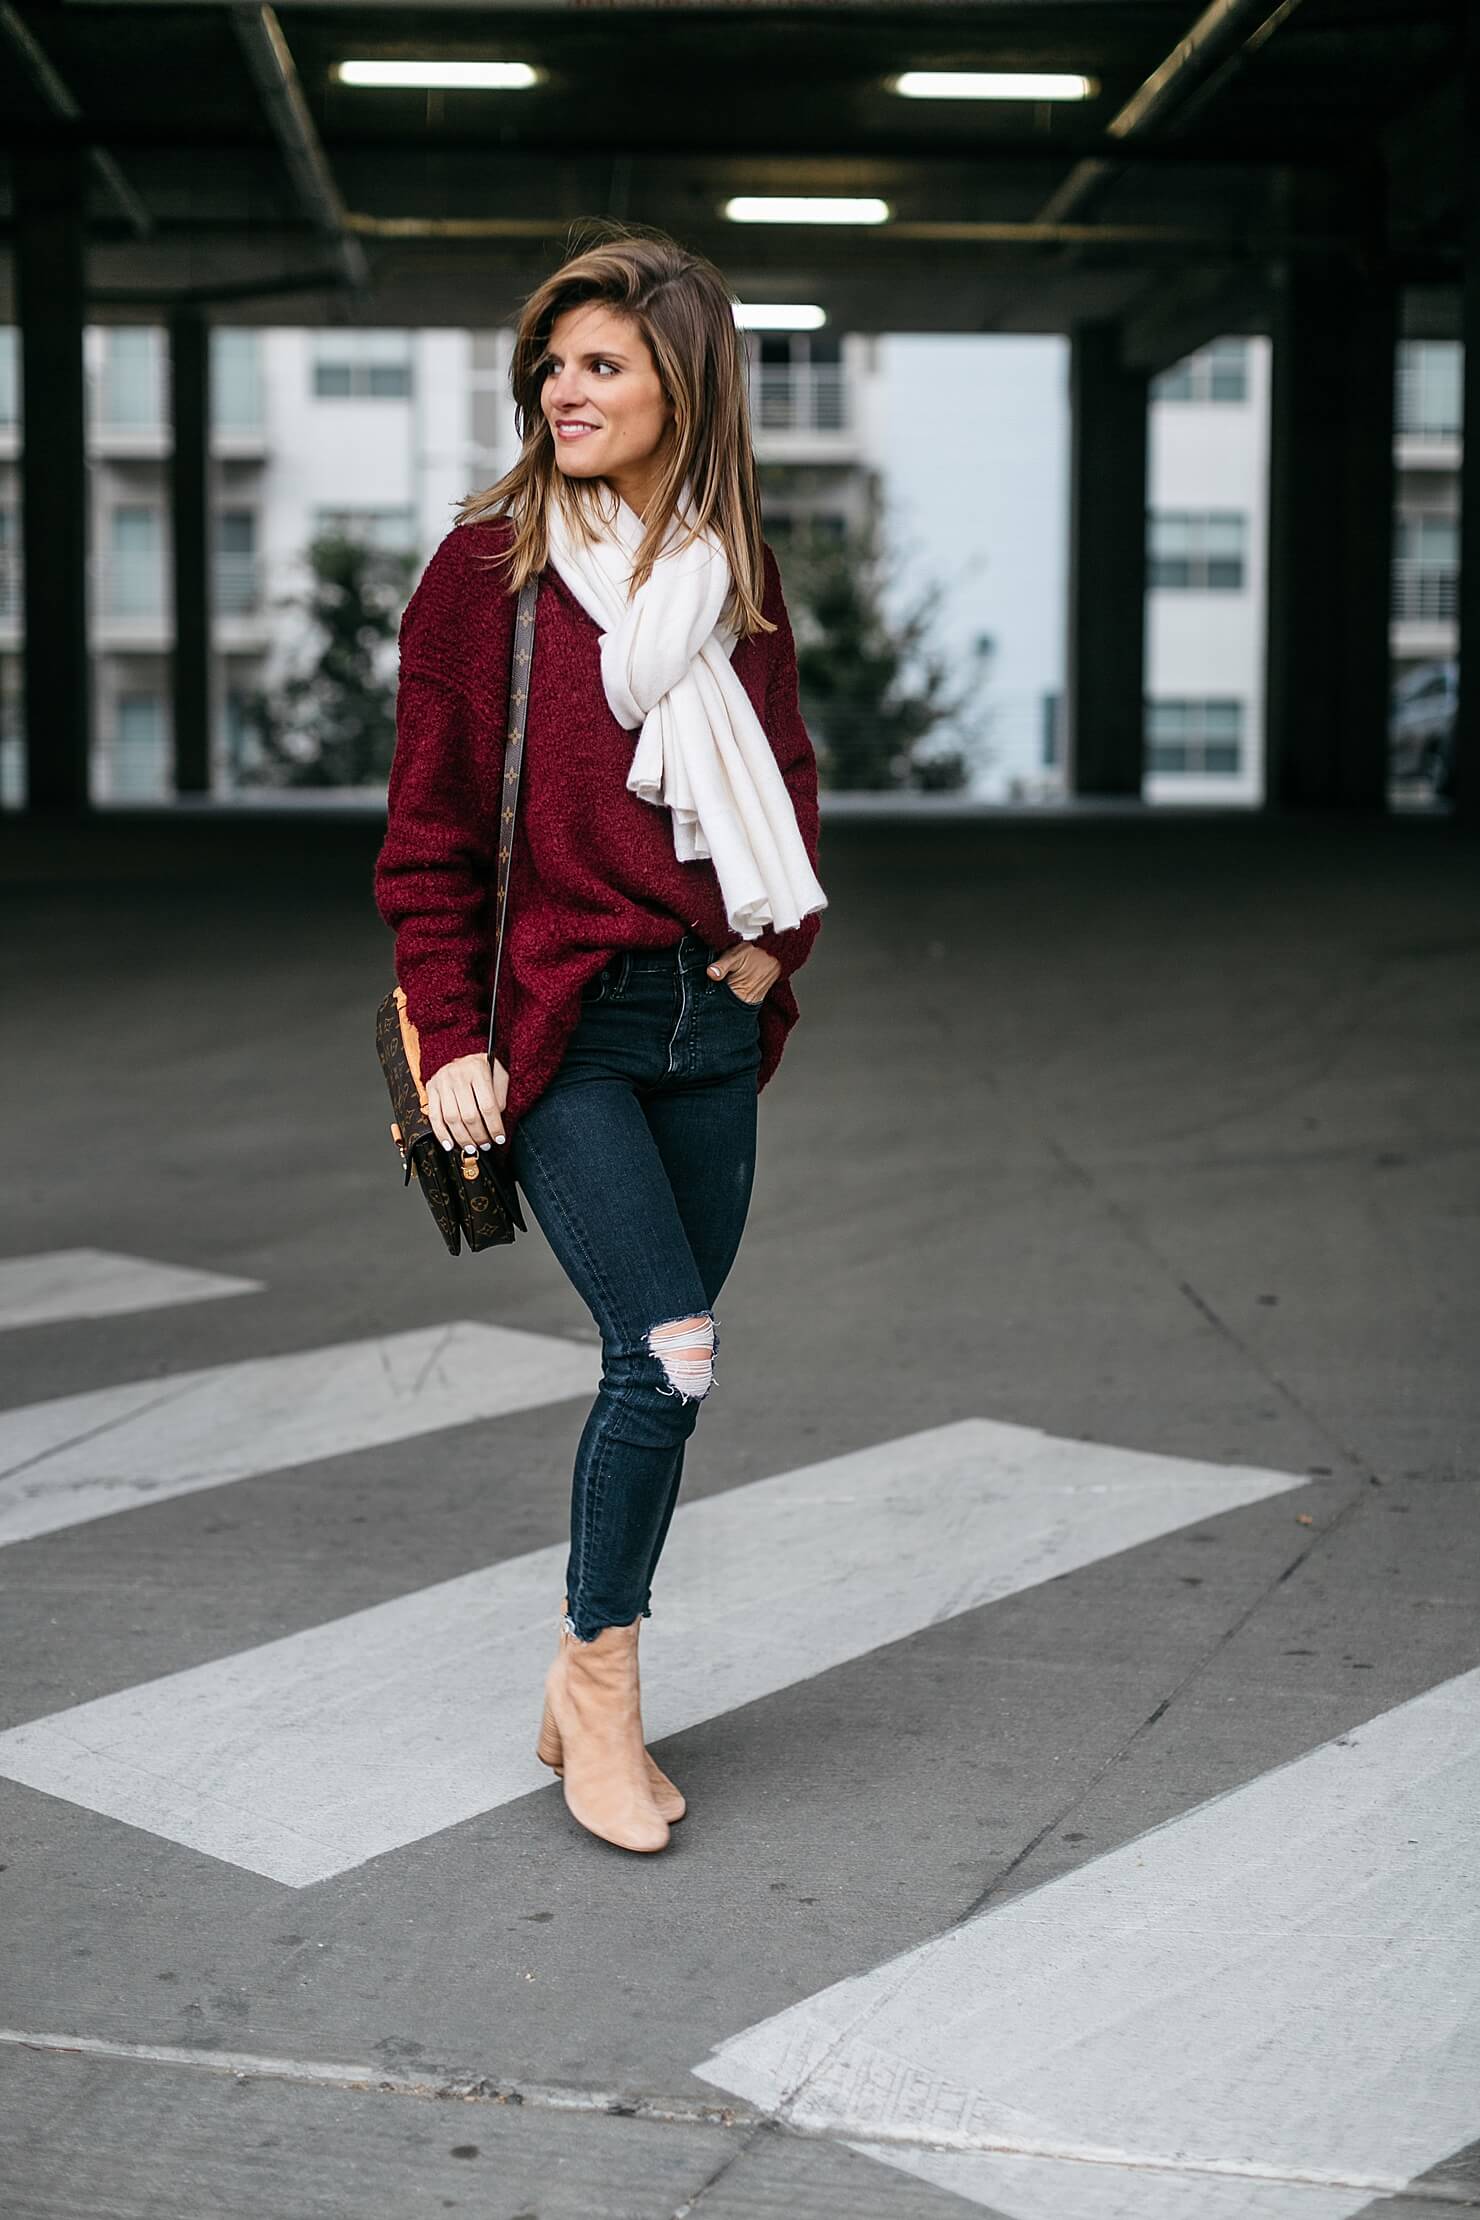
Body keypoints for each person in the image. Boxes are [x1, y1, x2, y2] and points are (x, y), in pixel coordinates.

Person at [374, 227, 827, 1856]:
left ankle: (581, 1681)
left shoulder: (733, 588)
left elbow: (788, 784)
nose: (563, 388)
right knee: (669, 1352)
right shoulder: (481, 576)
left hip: (706, 1025)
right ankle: (605, 1697)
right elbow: (428, 839)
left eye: (601, 365)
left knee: (669, 1375)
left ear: (680, 386)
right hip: (554, 1027)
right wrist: (452, 1041)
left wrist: (773, 959)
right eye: (553, 363)